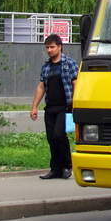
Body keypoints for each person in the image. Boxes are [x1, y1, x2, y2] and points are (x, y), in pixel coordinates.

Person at [30, 34, 78, 179]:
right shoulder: (46, 66)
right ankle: (55, 169)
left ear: (59, 46)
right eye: (47, 48)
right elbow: (41, 87)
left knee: (59, 135)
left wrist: (75, 104)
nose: (49, 50)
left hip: (64, 107)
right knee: (51, 138)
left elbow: (76, 84)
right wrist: (34, 107)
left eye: (52, 47)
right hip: (50, 107)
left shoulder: (69, 63)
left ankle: (67, 166)